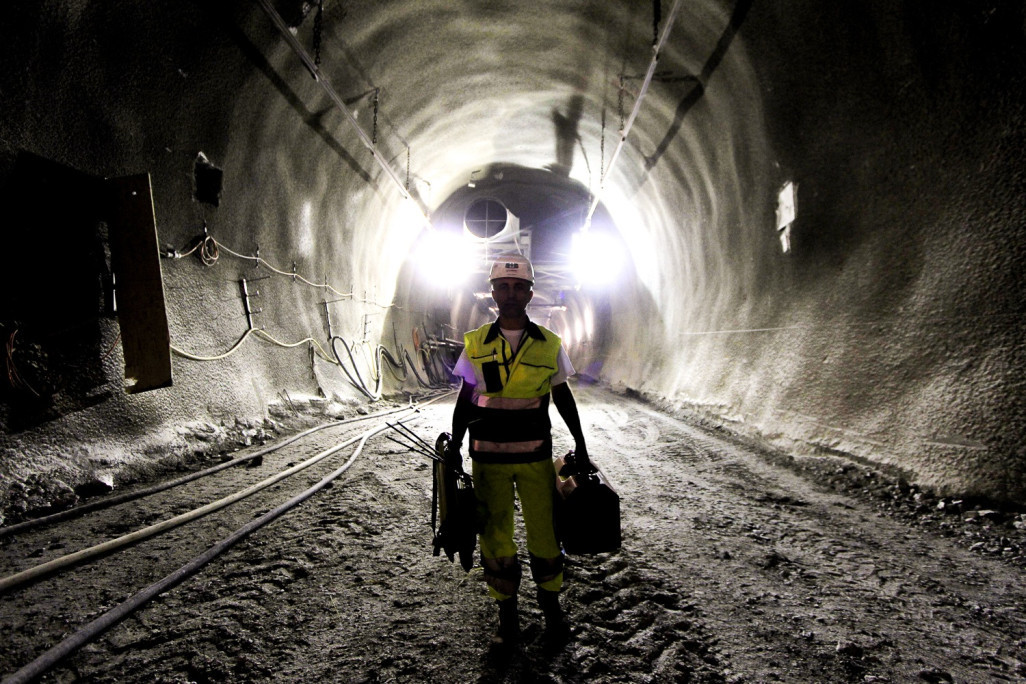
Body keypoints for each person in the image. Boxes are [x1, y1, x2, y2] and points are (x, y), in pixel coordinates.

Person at [447, 253, 591, 647]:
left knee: (545, 535)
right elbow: (465, 398)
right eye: (503, 287)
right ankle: (507, 617)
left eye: (518, 287)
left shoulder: (550, 344)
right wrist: (456, 444)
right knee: (495, 537)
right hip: (488, 459)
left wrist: (579, 441)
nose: (510, 294)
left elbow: (562, 397)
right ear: (492, 292)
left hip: (533, 457)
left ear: (529, 293)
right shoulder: (475, 343)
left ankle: (551, 609)